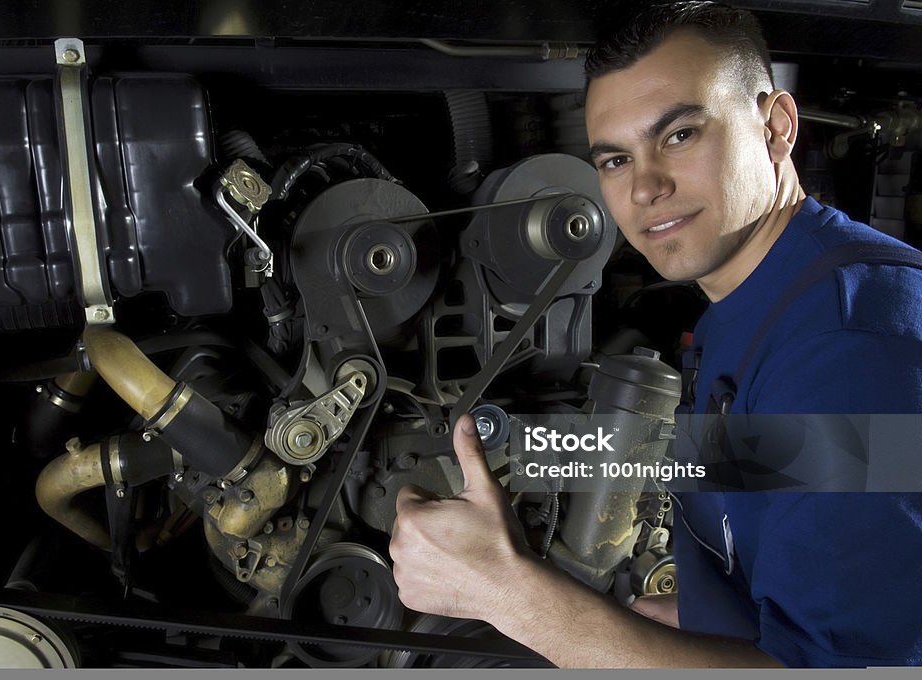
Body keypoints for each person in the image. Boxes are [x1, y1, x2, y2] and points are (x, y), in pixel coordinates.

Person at [389, 1, 922, 668]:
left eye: (679, 136)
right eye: (614, 160)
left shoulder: (849, 351)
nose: (645, 187)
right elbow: (777, 523)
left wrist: (510, 595)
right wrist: (700, 615)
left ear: (778, 127)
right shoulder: (750, 299)